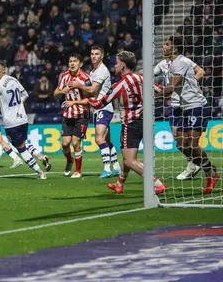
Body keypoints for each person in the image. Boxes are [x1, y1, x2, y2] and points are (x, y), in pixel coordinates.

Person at [65, 51, 166, 195]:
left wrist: (85, 100)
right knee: (126, 158)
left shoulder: (120, 84)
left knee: (130, 160)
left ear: (123, 66)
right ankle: (119, 184)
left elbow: (100, 103)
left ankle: (156, 184)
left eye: (117, 63)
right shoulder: (141, 78)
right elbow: (161, 91)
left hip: (130, 123)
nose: (115, 65)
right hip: (146, 121)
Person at [161, 37, 219, 194]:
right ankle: (208, 167)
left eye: (166, 44)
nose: (163, 46)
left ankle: (210, 174)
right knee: (181, 145)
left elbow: (172, 86)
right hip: (182, 108)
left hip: (196, 106)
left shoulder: (181, 62)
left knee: (192, 145)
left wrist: (155, 91)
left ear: (175, 48)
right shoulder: (169, 64)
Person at [0, 60, 47, 179]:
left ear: (4, 70)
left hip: (11, 123)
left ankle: (40, 173)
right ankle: (40, 156)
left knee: (21, 149)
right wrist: (17, 105)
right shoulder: (14, 79)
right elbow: (25, 95)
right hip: (23, 119)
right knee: (23, 143)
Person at [66, 46, 121, 178]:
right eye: (92, 54)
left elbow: (92, 90)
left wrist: (79, 85)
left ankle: (107, 168)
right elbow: (89, 93)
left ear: (102, 56)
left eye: (97, 54)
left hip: (103, 108)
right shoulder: (93, 72)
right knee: (107, 140)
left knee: (99, 138)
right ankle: (117, 167)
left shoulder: (101, 71)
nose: (94, 56)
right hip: (97, 108)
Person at [151, 55, 199, 180]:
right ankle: (193, 163)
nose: (163, 48)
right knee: (178, 138)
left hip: (186, 104)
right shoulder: (162, 64)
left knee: (188, 139)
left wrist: (191, 84)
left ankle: (192, 165)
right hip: (174, 105)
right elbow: (150, 74)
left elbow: (201, 72)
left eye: (167, 44)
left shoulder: (184, 61)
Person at [54, 54, 90, 178]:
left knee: (76, 143)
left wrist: (74, 101)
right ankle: (69, 160)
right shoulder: (64, 76)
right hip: (68, 114)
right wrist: (61, 91)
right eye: (70, 61)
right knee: (65, 144)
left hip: (82, 114)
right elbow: (55, 94)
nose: (72, 64)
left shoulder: (85, 78)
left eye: (75, 61)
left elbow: (90, 100)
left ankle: (78, 170)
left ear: (80, 64)